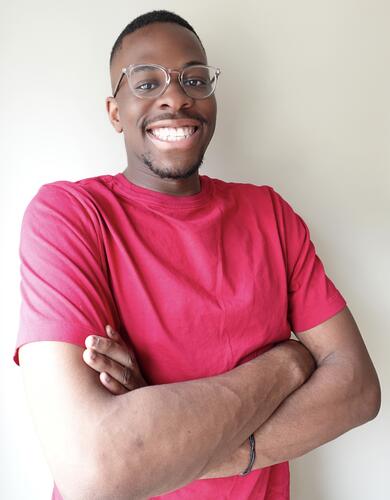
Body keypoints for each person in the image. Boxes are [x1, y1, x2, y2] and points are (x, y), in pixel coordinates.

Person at [15, 9, 380, 500]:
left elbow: (358, 389)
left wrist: (177, 450)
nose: (175, 95)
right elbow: (93, 467)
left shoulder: (269, 213)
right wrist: (288, 364)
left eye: (195, 79)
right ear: (113, 111)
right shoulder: (70, 216)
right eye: (145, 82)